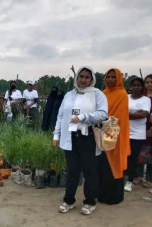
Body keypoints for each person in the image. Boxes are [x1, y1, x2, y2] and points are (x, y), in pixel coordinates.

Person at [53, 66, 108, 215]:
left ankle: (90, 202)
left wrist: (84, 117)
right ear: (76, 77)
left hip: (88, 137)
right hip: (70, 136)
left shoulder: (97, 94)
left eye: (87, 77)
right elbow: (61, 116)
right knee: (72, 171)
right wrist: (56, 135)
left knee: (90, 171)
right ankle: (68, 200)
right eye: (81, 76)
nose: (83, 80)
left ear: (92, 79)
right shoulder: (69, 95)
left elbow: (103, 114)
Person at [98, 69, 130, 204]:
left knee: (114, 164)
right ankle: (101, 195)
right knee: (102, 166)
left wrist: (108, 130)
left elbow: (120, 117)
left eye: (113, 77)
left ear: (118, 79)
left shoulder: (122, 94)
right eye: (108, 77)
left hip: (114, 134)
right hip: (100, 131)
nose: (110, 79)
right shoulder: (102, 93)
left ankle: (114, 197)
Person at [124, 77, 151, 192]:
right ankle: (123, 178)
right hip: (124, 131)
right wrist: (135, 113)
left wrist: (126, 114)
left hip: (138, 134)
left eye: (139, 85)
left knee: (134, 158)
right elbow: (120, 111)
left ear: (142, 87)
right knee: (125, 157)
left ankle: (130, 181)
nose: (136, 87)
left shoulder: (146, 100)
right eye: (134, 85)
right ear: (131, 87)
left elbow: (144, 114)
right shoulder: (126, 97)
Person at [144, 74, 152, 193]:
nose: (149, 84)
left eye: (151, 82)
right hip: (141, 128)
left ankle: (150, 179)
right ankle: (139, 176)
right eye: (147, 82)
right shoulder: (142, 96)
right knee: (143, 152)